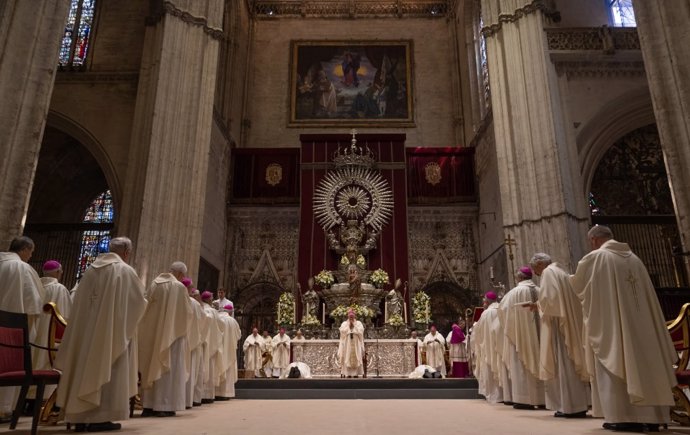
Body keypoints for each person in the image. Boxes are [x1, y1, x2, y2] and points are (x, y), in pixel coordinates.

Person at [570, 226, 677, 432]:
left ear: (593, 240)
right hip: (643, 329)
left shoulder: (597, 258)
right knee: (646, 363)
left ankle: (624, 416)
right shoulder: (635, 259)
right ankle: (652, 416)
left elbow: (579, 287)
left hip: (614, 326)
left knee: (616, 357)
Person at [55, 237, 146, 432]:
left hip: (85, 334)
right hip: (109, 334)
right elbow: (138, 303)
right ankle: (99, 417)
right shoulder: (125, 271)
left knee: (83, 365)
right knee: (106, 363)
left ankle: (79, 416)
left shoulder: (90, 271)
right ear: (127, 252)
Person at [530, 253, 589, 418]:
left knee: (564, 365)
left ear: (540, 263)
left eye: (535, 269)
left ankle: (569, 407)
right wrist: (539, 305)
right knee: (570, 365)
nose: (535, 273)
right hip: (568, 322)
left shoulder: (548, 272)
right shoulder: (561, 272)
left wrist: (539, 307)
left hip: (559, 326)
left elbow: (551, 301)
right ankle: (578, 404)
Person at [138, 261, 193, 417]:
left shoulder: (155, 283)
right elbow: (187, 314)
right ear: (181, 275)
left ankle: (148, 405)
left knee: (152, 365)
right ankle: (164, 404)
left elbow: (146, 306)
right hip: (172, 337)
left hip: (153, 334)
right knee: (168, 369)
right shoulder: (179, 287)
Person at [0, 236, 45, 419]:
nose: (30, 256)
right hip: (12, 331)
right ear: (25, 249)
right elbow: (33, 304)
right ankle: (4, 409)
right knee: (9, 366)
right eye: (31, 252)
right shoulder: (22, 268)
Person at [498, 266, 544, 410]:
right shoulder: (540, 290)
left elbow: (502, 312)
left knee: (521, 363)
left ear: (519, 277)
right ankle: (543, 398)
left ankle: (525, 399)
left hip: (521, 338)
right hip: (541, 336)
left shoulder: (513, 294)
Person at [33, 260, 73, 401]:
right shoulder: (59, 289)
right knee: (46, 362)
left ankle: (27, 398)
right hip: (48, 338)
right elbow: (64, 317)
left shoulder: (35, 284)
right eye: (61, 272)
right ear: (57, 272)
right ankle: (44, 397)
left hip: (34, 334)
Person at [472, 291, 504, 403]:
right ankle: (506, 394)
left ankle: (494, 393)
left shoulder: (486, 313)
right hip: (501, 345)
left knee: (491, 367)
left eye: (484, 300)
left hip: (488, 346)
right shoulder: (502, 309)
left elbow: (478, 332)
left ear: (487, 301)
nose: (483, 303)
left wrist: (474, 327)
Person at [185, 286, 207, 408]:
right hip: (195, 341)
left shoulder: (184, 300)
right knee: (193, 369)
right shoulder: (197, 306)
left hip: (183, 339)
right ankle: (191, 399)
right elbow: (203, 322)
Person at [200, 291, 223, 403]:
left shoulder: (200, 308)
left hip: (201, 343)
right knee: (209, 368)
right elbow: (221, 326)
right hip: (211, 343)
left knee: (200, 367)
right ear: (209, 299)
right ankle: (207, 394)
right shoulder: (213, 312)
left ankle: (199, 395)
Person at [216, 304, 241, 400]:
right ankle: (226, 393)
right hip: (230, 349)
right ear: (230, 312)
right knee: (229, 370)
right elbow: (238, 335)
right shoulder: (232, 321)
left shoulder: (218, 318)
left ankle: (217, 392)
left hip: (220, 348)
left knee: (219, 366)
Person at [337, 309, 365, 377]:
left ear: (355, 316)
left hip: (356, 343)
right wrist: (349, 327)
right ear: (348, 316)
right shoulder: (344, 323)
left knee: (357, 356)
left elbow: (361, 332)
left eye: (352, 317)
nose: (351, 318)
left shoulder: (358, 323)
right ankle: (347, 373)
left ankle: (356, 373)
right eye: (350, 317)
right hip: (347, 343)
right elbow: (342, 332)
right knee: (347, 356)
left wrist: (354, 326)